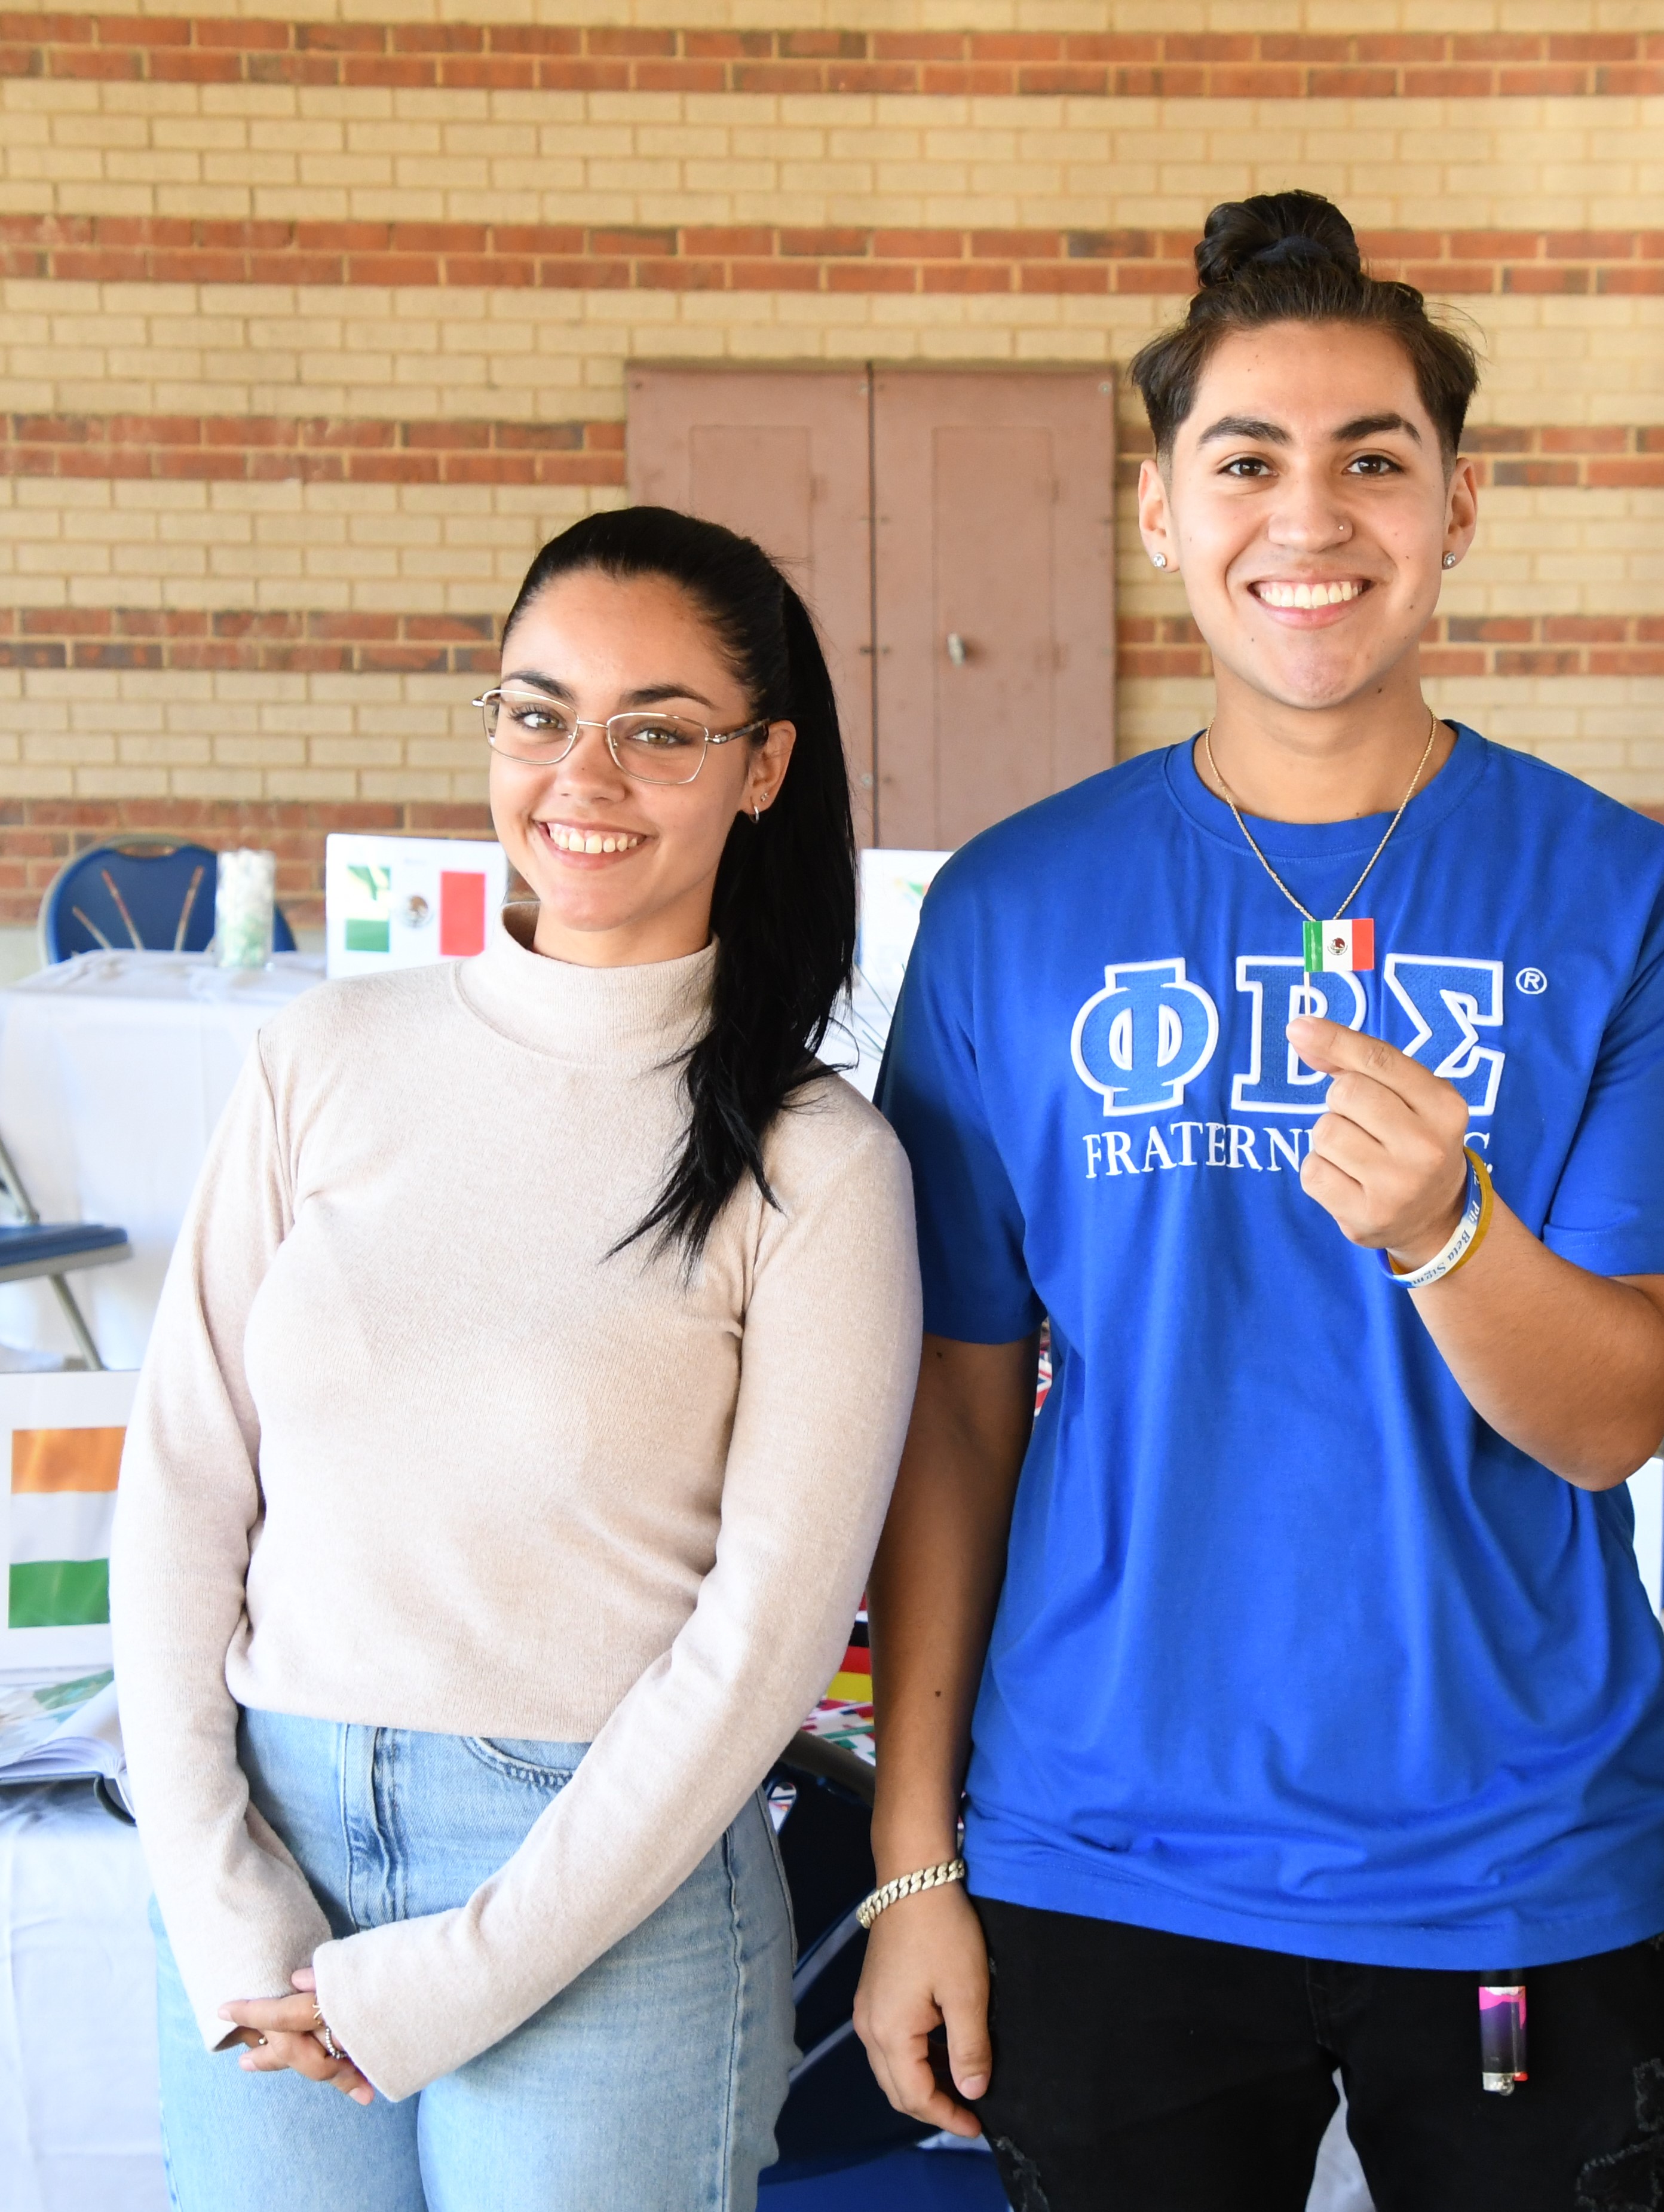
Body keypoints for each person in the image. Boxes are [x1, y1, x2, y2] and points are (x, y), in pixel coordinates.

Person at [853, 189, 1664, 2210]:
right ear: (1162, 511)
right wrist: (915, 1854)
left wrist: (1453, 1236)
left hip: (1511, 1859)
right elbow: (955, 1425)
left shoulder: (1634, 906)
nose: (1313, 515)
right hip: (1105, 1850)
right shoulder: (1015, 910)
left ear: (1458, 506)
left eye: (1377, 459)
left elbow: (1615, 1416)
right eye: (1245, 460)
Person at [114, 507, 921, 2210]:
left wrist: (467, 1969)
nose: (585, 774)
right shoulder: (326, 1056)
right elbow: (183, 1486)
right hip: (276, 1842)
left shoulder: (817, 1161)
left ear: (762, 766)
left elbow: (764, 1643)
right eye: (539, 711)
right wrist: (214, 1884)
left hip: (601, 1893)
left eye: (662, 729)